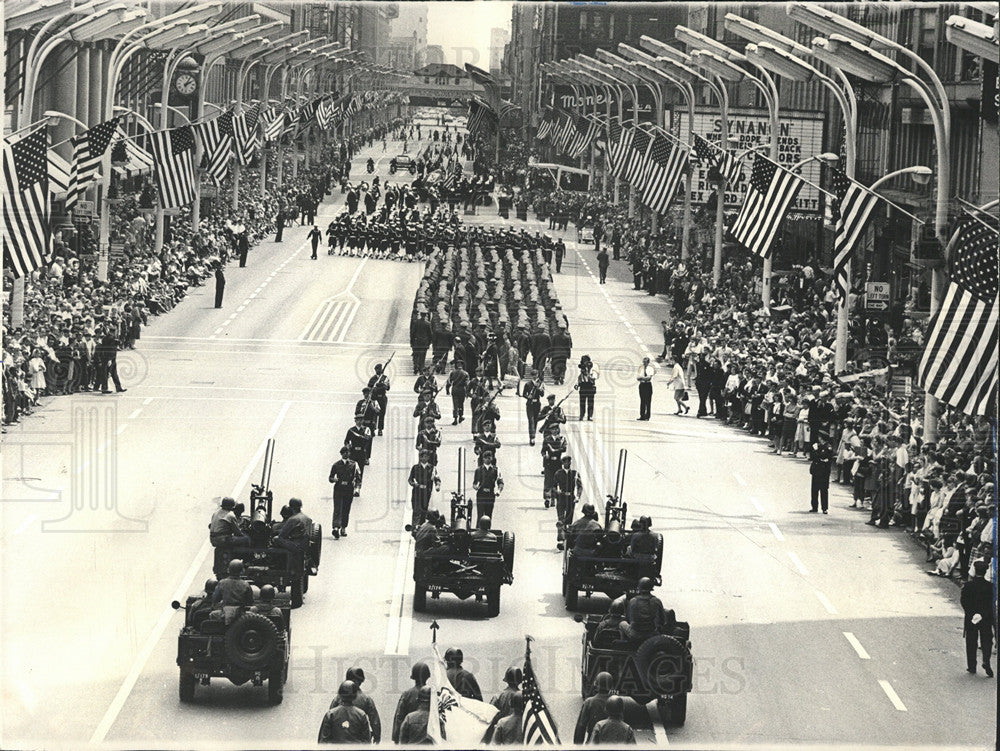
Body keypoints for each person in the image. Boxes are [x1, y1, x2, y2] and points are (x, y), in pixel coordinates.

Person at [327, 667, 382, 742]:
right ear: (360, 681)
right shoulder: (366, 699)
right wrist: (377, 736)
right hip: (359, 739)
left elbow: (330, 718)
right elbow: (374, 720)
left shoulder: (338, 698)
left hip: (340, 738)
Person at [960, 560, 994, 676]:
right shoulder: (990, 586)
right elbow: (991, 604)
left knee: (971, 641)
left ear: (975, 571)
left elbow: (963, 601)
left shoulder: (968, 585)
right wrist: (983, 614)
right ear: (985, 572)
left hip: (971, 618)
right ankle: (986, 660)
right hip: (985, 618)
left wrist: (972, 613)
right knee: (986, 640)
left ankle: (972, 666)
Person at [619, 577, 670, 643]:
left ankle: (624, 643)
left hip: (635, 634)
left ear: (639, 588)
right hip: (651, 635)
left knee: (622, 624)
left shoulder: (633, 601)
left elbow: (628, 619)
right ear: (651, 588)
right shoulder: (657, 601)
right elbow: (663, 621)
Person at [329, 446, 361, 539]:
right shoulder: (336, 465)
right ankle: (336, 528)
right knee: (337, 509)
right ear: (341, 454)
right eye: (344, 452)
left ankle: (343, 528)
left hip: (349, 489)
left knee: (346, 509)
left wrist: (357, 488)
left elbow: (358, 477)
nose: (346, 454)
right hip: (338, 489)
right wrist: (334, 479)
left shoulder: (354, 464)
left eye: (348, 452)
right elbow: (330, 477)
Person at [393, 662, 430, 742]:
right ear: (427, 676)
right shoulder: (432, 694)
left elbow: (399, 716)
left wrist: (396, 737)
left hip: (410, 731)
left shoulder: (407, 694)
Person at [573, 671, 613, 744]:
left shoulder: (589, 702)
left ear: (596, 684)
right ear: (611, 686)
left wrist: (578, 745)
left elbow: (581, 726)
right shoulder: (616, 703)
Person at [554, 455, 583, 543]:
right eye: (565, 462)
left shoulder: (575, 474)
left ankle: (567, 540)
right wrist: (557, 492)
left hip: (571, 498)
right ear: (562, 464)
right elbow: (554, 486)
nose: (567, 463)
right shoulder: (558, 473)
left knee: (569, 521)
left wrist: (578, 496)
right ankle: (561, 539)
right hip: (561, 498)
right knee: (561, 519)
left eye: (569, 462)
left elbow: (580, 486)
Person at [408, 451, 441, 529]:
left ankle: (421, 528)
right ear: (420, 457)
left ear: (428, 458)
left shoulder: (432, 468)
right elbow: (410, 480)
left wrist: (437, 485)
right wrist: (414, 484)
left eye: (426, 457)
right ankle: (414, 529)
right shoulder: (415, 467)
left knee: (424, 510)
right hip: (417, 491)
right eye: (423, 456)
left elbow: (437, 479)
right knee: (416, 510)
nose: (424, 458)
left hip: (427, 492)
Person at [473, 452, 504, 521]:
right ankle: (479, 530)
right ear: (483, 459)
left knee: (488, 515)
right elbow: (474, 483)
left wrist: (499, 491)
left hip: (490, 495)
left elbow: (500, 482)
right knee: (480, 515)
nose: (487, 459)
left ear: (492, 458)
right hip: (481, 495)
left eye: (489, 458)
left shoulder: (496, 470)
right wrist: (476, 487)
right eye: (486, 458)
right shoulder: (478, 470)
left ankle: (487, 531)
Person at [809, 438, 833, 514]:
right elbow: (813, 457)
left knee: (824, 490)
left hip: (824, 472)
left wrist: (816, 452)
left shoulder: (828, 447)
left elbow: (824, 457)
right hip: (816, 471)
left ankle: (824, 508)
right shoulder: (817, 446)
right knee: (814, 490)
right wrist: (816, 453)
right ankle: (814, 507)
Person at [367, 363, 391, 436]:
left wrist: (381, 385)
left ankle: (380, 429)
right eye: (377, 369)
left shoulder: (384, 378)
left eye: (380, 369)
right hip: (375, 398)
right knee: (374, 413)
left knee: (382, 414)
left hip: (382, 398)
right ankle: (373, 428)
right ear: (375, 370)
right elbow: (369, 388)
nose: (379, 370)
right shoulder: (373, 379)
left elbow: (388, 387)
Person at [522, 372, 544, 445]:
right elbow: (524, 394)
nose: (535, 376)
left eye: (536, 375)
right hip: (530, 405)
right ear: (531, 376)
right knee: (531, 421)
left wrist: (538, 388)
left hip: (537, 405)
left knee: (535, 421)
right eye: (533, 375)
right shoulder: (528, 384)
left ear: (538, 375)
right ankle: (532, 438)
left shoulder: (540, 383)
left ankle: (533, 436)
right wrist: (528, 397)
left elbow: (542, 394)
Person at [446, 359, 469, 424]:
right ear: (462, 365)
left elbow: (449, 382)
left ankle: (455, 418)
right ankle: (461, 416)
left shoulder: (453, 372)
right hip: (462, 389)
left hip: (455, 389)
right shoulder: (465, 373)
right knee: (461, 404)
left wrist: (447, 390)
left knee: (455, 404)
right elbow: (467, 383)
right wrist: (467, 392)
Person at [576, 355, 599, 421]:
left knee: (590, 402)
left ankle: (590, 416)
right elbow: (579, 377)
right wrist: (577, 384)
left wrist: (588, 373)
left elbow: (594, 377)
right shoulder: (582, 369)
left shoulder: (593, 368)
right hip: (583, 386)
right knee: (582, 402)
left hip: (590, 386)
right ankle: (581, 415)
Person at [636, 357, 656, 421]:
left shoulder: (650, 369)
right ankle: (642, 415)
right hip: (642, 385)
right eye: (643, 362)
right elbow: (638, 377)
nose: (644, 363)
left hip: (647, 385)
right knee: (642, 400)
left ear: (648, 362)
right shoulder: (640, 368)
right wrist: (642, 378)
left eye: (645, 362)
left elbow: (649, 378)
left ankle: (647, 416)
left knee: (648, 401)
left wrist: (642, 377)